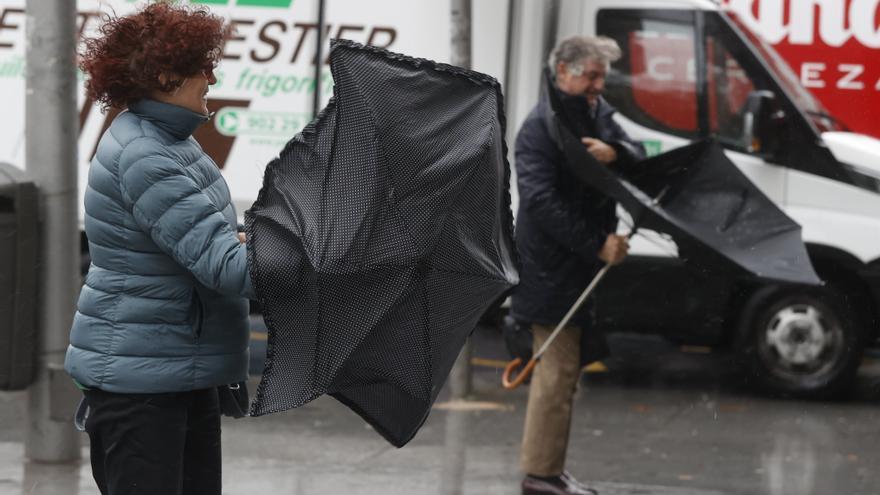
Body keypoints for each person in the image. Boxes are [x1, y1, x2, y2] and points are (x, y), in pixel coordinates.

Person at [64, 3, 253, 494]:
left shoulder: (172, 142)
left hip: (174, 372)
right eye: (200, 65)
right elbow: (226, 267)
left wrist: (245, 243)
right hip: (142, 386)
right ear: (166, 74)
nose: (212, 75)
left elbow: (209, 240)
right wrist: (310, 248)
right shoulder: (147, 155)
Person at [509, 36, 646, 495]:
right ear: (563, 71)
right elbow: (542, 203)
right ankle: (540, 476)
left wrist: (617, 153)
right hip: (548, 269)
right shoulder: (538, 129)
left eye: (602, 76)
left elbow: (636, 151)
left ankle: (548, 472)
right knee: (557, 373)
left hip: (577, 268)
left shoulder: (595, 111)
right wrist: (597, 244)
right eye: (591, 75)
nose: (599, 85)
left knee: (563, 374)